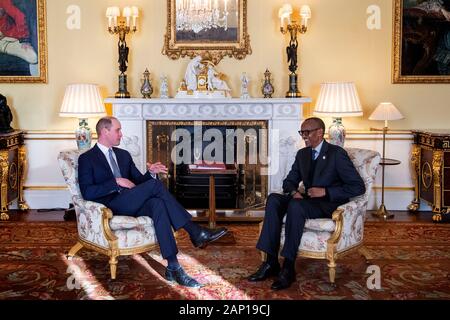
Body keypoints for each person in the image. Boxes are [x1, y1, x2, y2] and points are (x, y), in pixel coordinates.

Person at [78, 116, 228, 288]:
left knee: (158, 204)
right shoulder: (87, 158)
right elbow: (87, 192)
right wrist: (116, 182)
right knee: (155, 187)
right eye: (118, 130)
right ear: (105, 131)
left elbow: (139, 182)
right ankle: (194, 231)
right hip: (112, 205)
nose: (121, 134)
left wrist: (150, 173)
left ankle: (173, 267)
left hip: (132, 200)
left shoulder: (124, 155)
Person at [247, 117, 365, 290]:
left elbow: (358, 187)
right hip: (306, 201)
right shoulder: (302, 154)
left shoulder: (336, 154)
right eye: (301, 132)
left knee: (296, 206)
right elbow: (289, 181)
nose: (303, 136)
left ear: (319, 132)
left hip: (328, 204)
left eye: (307, 132)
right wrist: (294, 192)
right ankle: (271, 262)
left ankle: (288, 267)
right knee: (273, 199)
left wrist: (326, 191)